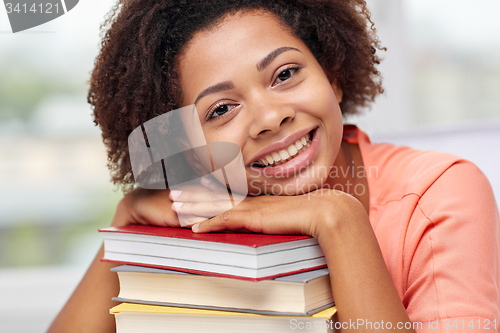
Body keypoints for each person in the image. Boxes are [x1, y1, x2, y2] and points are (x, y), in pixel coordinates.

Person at [48, 0, 500, 332]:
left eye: (285, 74)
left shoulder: (440, 195)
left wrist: (338, 219)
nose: (270, 118)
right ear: (189, 150)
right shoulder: (197, 213)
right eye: (221, 109)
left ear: (333, 75)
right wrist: (127, 224)